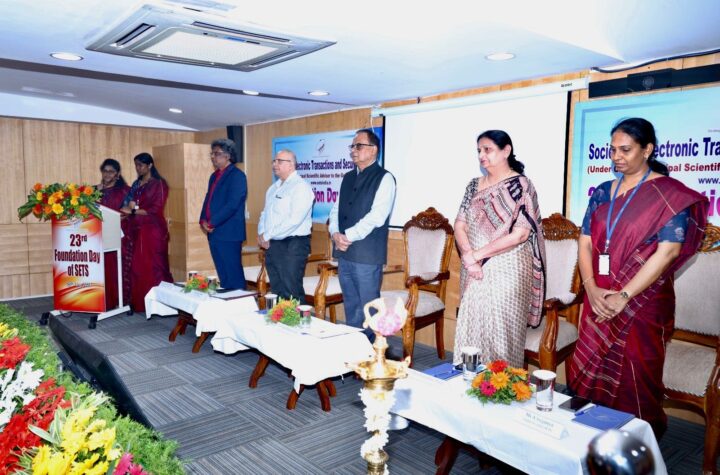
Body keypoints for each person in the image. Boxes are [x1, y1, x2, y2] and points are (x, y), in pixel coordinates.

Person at [568, 118, 708, 438]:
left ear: (647, 150)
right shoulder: (603, 192)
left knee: (636, 373)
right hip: (598, 296)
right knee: (592, 371)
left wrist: (624, 296)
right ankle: (591, 439)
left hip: (642, 301)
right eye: (612, 150)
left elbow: (668, 252)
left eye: (625, 150)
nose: (616, 157)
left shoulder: (670, 195)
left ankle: (637, 443)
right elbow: (585, 241)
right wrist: (591, 289)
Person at [453, 130, 545, 368]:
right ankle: (469, 381)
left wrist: (477, 255)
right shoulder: (473, 185)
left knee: (502, 335)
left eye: (488, 149)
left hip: (509, 268)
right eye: (479, 151)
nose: (481, 155)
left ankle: (503, 386)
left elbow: (520, 234)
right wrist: (468, 256)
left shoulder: (522, 185)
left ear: (506, 151)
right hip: (473, 268)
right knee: (471, 327)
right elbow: (460, 224)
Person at [329, 128, 396, 341]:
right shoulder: (348, 177)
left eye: (358, 146)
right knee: (351, 306)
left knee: (369, 308)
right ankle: (355, 349)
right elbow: (335, 209)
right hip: (344, 252)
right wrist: (335, 233)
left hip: (367, 255)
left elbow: (377, 216)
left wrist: (347, 236)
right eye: (352, 146)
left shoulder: (385, 178)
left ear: (373, 149)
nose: (353, 150)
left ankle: (373, 352)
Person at [258, 149, 314, 303]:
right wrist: (262, 233)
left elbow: (294, 220)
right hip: (272, 244)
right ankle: (280, 318)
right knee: (277, 290)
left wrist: (267, 235)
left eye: (280, 161)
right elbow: (265, 214)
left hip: (293, 245)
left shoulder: (301, 187)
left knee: (291, 291)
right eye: (274, 161)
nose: (275, 164)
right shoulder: (273, 188)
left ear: (291, 165)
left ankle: (297, 320)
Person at [120, 153, 173, 312]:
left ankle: (161, 305)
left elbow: (155, 209)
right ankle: (140, 303)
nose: (138, 168)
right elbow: (128, 203)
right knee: (138, 267)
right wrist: (127, 210)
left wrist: (133, 210)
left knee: (154, 266)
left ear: (150, 165)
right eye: (136, 165)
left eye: (141, 165)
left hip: (152, 231)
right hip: (136, 229)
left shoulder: (159, 184)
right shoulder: (136, 184)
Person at [199, 138, 247, 290]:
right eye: (212, 154)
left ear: (228, 155)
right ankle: (227, 301)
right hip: (214, 232)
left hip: (229, 233)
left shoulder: (237, 176)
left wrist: (212, 222)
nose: (213, 157)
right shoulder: (214, 176)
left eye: (217, 153)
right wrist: (203, 219)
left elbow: (232, 205)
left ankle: (239, 301)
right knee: (223, 274)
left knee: (233, 274)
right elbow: (208, 199)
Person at [96, 158, 131, 306]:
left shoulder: (125, 191)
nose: (107, 174)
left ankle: (117, 299)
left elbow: (129, 211)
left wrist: (123, 215)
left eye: (111, 171)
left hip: (118, 234)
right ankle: (103, 299)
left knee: (115, 267)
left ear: (117, 174)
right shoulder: (94, 191)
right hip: (97, 235)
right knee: (100, 267)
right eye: (105, 171)